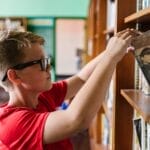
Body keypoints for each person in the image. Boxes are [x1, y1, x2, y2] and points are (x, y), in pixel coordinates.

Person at [0, 29, 139, 150]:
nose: (49, 67)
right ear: (15, 75)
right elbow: (76, 120)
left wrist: (112, 49)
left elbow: (81, 78)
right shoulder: (12, 124)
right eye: (41, 63)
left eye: (48, 61)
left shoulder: (41, 95)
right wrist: (111, 57)